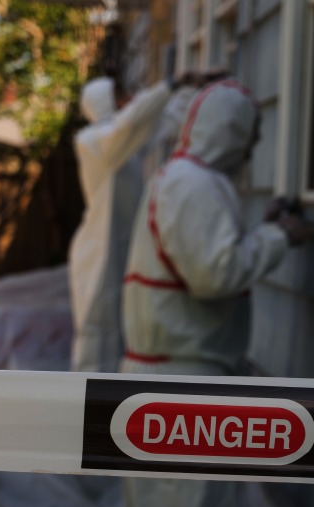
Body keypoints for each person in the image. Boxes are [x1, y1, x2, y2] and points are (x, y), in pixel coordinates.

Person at [119, 79, 305, 507]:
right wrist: (280, 237)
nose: (254, 147)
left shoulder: (182, 178)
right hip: (181, 390)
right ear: (232, 132)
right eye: (252, 135)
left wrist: (260, 231)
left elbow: (201, 258)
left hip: (168, 381)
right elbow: (214, 273)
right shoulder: (194, 185)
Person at [70, 72, 200, 373]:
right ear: (105, 102)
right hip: (96, 252)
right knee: (95, 332)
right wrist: (170, 84)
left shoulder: (123, 145)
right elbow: (131, 122)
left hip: (120, 247)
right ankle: (83, 405)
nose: (128, 98)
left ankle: (110, 404)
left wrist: (192, 89)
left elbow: (162, 122)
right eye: (120, 94)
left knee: (119, 328)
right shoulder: (93, 141)